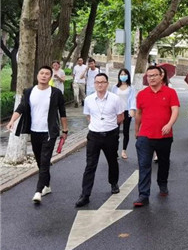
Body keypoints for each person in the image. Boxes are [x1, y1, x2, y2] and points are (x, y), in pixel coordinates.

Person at [6, 66, 68, 203]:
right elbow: (21, 107)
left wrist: (65, 130)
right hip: (34, 131)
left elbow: (62, 113)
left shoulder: (56, 92)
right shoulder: (29, 91)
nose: (44, 76)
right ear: (37, 76)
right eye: (42, 73)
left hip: (49, 132)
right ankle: (46, 185)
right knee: (40, 161)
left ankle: (38, 191)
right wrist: (12, 121)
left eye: (47, 74)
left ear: (50, 77)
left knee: (45, 160)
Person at [76, 73, 125, 207]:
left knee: (112, 161)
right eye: (97, 82)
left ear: (107, 84)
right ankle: (85, 194)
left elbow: (120, 116)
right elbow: (88, 116)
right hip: (94, 136)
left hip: (110, 135)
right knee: (90, 165)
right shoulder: (89, 99)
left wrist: (110, 126)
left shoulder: (115, 99)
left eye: (102, 82)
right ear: (94, 84)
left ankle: (113, 183)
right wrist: (97, 125)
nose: (100, 84)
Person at [133, 66, 180, 207]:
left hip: (164, 136)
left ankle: (162, 183)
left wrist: (169, 124)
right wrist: (136, 130)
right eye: (149, 76)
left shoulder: (170, 92)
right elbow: (139, 114)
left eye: (154, 75)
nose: (151, 78)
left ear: (161, 76)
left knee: (164, 163)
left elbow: (175, 110)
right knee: (144, 165)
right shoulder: (141, 94)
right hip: (145, 136)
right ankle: (143, 195)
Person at [112, 69, 137, 159]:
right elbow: (111, 99)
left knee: (126, 132)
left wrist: (132, 109)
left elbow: (133, 99)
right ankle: (115, 150)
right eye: (121, 74)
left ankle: (124, 151)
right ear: (119, 76)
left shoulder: (131, 88)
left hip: (127, 111)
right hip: (116, 112)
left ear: (128, 76)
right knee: (115, 132)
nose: (123, 76)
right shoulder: (115, 87)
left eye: (125, 74)